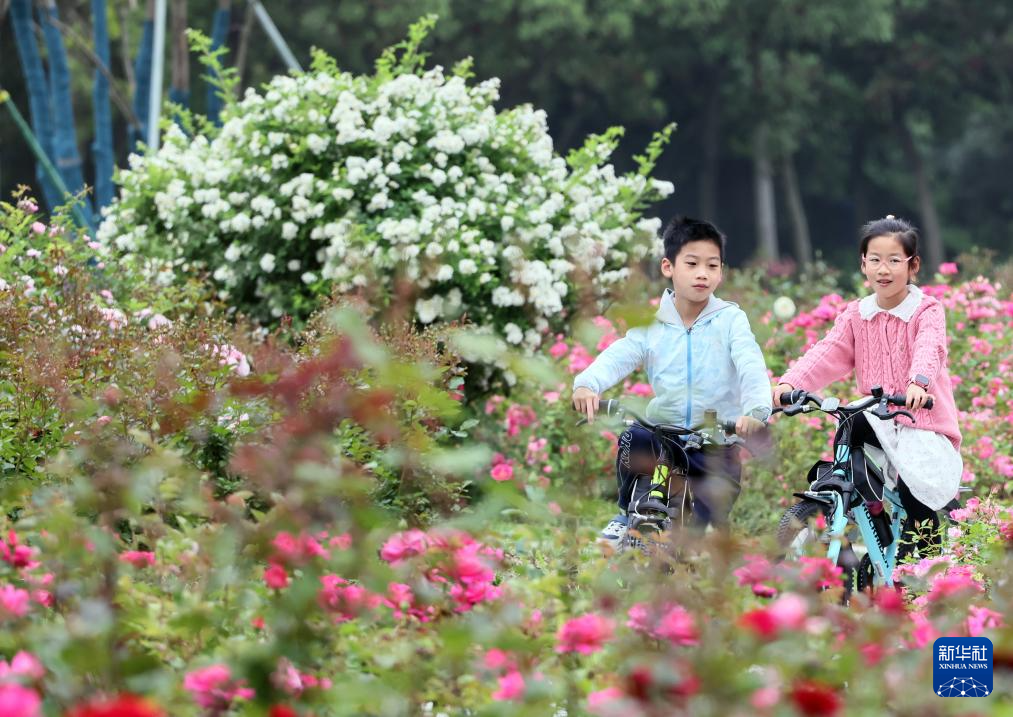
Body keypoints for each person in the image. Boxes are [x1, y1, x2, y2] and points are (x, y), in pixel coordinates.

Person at [572, 216, 772, 544]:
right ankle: (627, 513)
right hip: (664, 442)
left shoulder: (731, 320)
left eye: (712, 265)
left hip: (714, 443)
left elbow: (749, 361)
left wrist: (755, 410)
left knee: (700, 537)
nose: (702, 274)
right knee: (634, 437)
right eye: (692, 264)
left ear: (722, 272)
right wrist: (587, 385)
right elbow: (619, 354)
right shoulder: (653, 325)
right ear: (668, 267)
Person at [773, 215, 962, 556]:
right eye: (874, 260)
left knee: (914, 490)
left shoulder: (926, 310)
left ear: (912, 265)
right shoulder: (856, 314)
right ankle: (859, 505)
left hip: (923, 422)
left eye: (893, 260)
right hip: (879, 414)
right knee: (851, 423)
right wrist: (790, 383)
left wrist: (918, 384)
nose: (883, 269)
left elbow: (929, 348)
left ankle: (920, 557)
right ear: (863, 264)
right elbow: (828, 352)